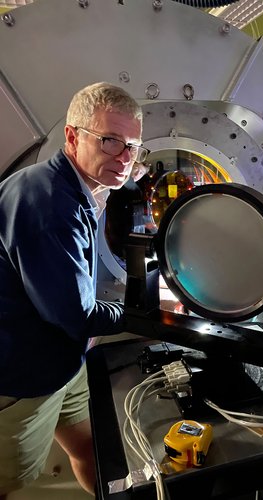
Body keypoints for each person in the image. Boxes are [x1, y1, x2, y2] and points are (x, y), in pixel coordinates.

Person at [0, 82, 148, 498]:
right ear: (71, 136)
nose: (124, 158)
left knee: (92, 450)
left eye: (133, 147)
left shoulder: (84, 189)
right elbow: (74, 313)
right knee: (9, 480)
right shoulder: (49, 203)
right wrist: (139, 311)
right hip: (21, 376)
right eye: (110, 141)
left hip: (65, 362)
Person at [105, 161, 156, 266]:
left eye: (141, 173)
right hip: (117, 239)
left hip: (132, 240)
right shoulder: (119, 187)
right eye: (136, 169)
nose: (137, 174)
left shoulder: (139, 191)